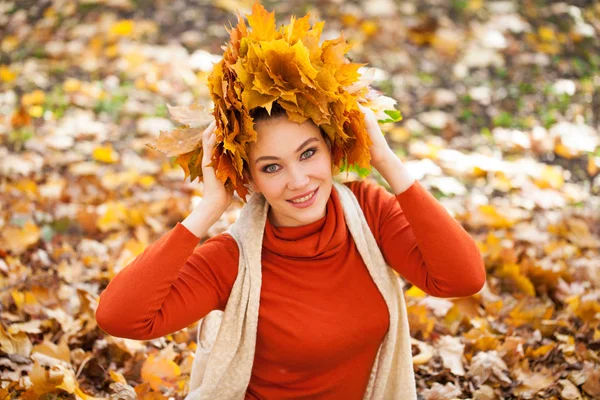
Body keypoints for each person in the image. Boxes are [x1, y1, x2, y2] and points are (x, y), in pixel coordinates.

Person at [95, 4, 486, 399]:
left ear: (331, 149)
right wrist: (210, 207)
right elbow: (121, 318)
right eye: (271, 167)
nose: (298, 182)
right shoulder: (234, 260)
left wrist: (385, 160)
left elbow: (461, 279)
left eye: (307, 153)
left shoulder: (368, 212)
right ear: (249, 177)